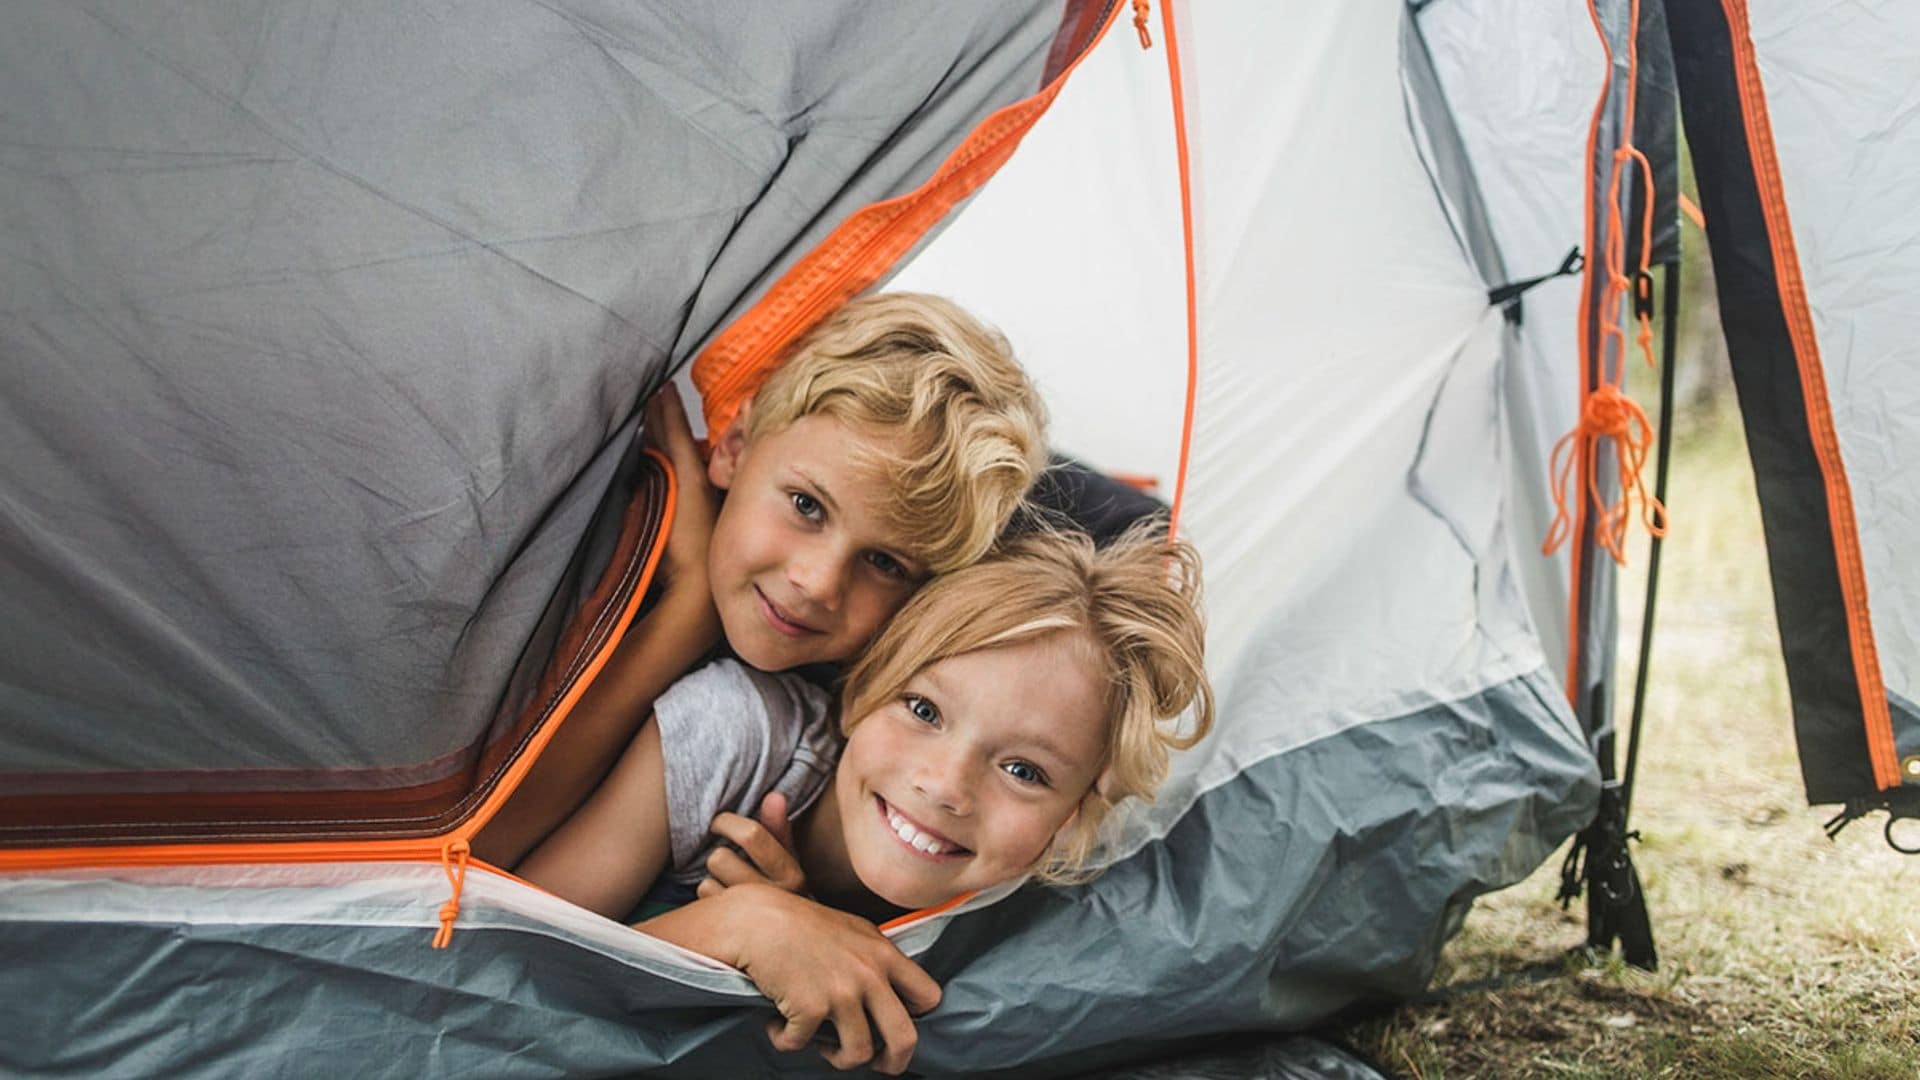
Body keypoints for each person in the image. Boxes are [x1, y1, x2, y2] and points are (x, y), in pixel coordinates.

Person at [517, 526, 1216, 1074]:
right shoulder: (736, 733)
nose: (944, 785)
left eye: (1024, 771)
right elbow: (503, 962)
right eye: (922, 709)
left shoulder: (1027, 931)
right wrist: (744, 927)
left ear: (1074, 821)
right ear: (861, 692)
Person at [474, 293, 1048, 867]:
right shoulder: (590, 546)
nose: (820, 583)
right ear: (733, 448)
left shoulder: (846, 725)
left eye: (885, 564)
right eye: (806, 505)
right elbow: (464, 854)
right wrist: (689, 611)